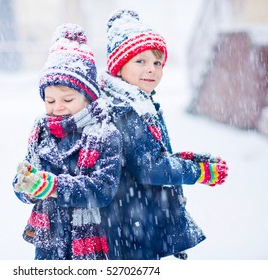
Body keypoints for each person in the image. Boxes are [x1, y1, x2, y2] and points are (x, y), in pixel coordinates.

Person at [98, 9, 229, 260]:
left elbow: (149, 154)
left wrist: (187, 159)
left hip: (135, 216)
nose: (152, 70)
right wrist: (199, 172)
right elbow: (149, 169)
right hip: (131, 222)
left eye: (157, 62)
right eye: (141, 61)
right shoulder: (126, 109)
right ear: (118, 65)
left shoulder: (139, 101)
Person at [12, 23, 122, 260]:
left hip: (90, 240)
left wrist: (53, 187)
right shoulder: (41, 132)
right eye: (49, 101)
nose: (57, 107)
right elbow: (25, 178)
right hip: (49, 239)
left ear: (88, 97)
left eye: (67, 99)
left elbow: (102, 189)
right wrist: (26, 186)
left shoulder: (104, 134)